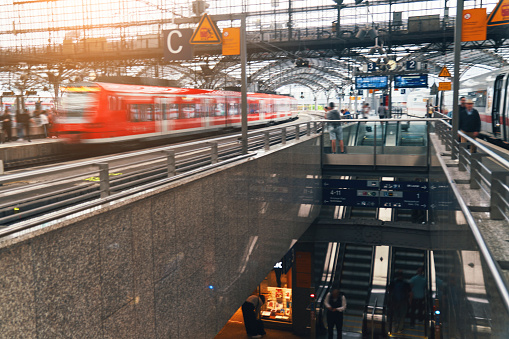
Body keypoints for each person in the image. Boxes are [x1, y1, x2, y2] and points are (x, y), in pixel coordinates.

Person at [388, 270, 411, 334]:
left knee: (395, 313)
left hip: (395, 300)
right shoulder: (406, 283)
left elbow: (389, 291)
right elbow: (409, 292)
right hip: (403, 300)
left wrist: (389, 300)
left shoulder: (393, 282)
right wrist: (410, 301)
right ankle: (400, 328)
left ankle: (396, 325)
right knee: (402, 315)